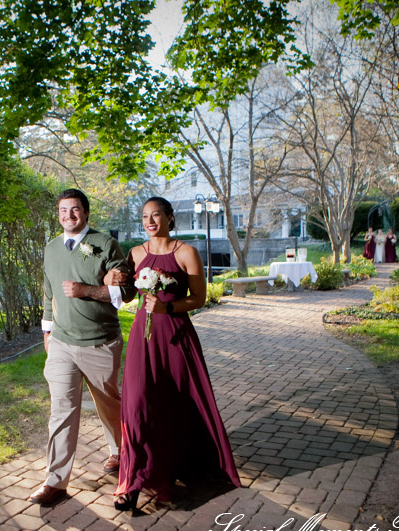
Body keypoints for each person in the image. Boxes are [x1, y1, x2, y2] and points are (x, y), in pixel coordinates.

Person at [105, 197, 241, 511]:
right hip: (143, 336)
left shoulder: (186, 252)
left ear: (169, 217)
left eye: (156, 215)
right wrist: (107, 278)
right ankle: (130, 481)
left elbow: (199, 299)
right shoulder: (135, 253)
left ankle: (177, 462)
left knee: (178, 401)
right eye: (144, 216)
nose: (149, 221)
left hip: (177, 335)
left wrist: (166, 306)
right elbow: (122, 290)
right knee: (137, 403)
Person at [29, 189, 136, 506]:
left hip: (100, 342)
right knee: (60, 411)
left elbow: (126, 293)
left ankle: (120, 452)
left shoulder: (105, 245)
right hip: (61, 342)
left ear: (86, 213)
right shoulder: (50, 249)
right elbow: (49, 294)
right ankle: (55, 482)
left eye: (75, 210)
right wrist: (48, 333)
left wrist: (87, 290)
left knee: (108, 404)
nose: (68, 216)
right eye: (63, 210)